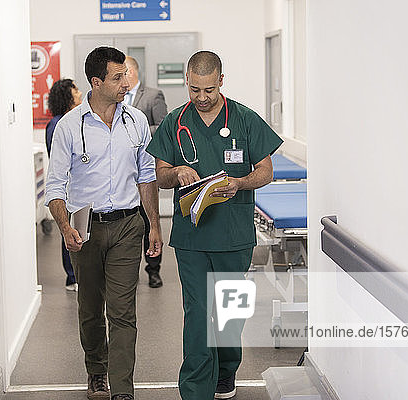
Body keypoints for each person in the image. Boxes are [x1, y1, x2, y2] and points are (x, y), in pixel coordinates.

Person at [146, 51, 283, 399]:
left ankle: (226, 370)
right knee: (196, 311)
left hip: (234, 235)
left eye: (208, 89)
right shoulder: (174, 123)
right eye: (194, 89)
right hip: (191, 236)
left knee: (228, 312)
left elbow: (266, 172)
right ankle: (195, 388)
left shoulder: (245, 119)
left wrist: (239, 183)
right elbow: (159, 175)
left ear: (221, 80)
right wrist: (176, 173)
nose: (201, 97)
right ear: (186, 83)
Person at [44, 46, 163, 400]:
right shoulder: (69, 127)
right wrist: (66, 227)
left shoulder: (136, 122)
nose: (126, 82)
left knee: (123, 312)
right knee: (90, 309)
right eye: (117, 77)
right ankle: (97, 370)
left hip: (128, 225)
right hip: (87, 228)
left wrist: (154, 224)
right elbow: (55, 185)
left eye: (125, 74)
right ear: (96, 83)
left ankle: (122, 389)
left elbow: (146, 176)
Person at [124, 56, 168, 288]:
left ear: (131, 72)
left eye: (122, 73)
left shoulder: (153, 95)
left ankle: (153, 270)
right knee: (129, 225)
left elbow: (163, 127)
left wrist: (136, 129)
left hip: (146, 169)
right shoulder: (116, 99)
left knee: (149, 220)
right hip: (123, 173)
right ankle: (128, 271)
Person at [45, 78, 83, 291]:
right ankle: (72, 277)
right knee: (67, 229)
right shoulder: (59, 124)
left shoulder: (72, 120)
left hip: (75, 187)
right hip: (66, 188)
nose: (79, 93)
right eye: (75, 90)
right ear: (67, 95)